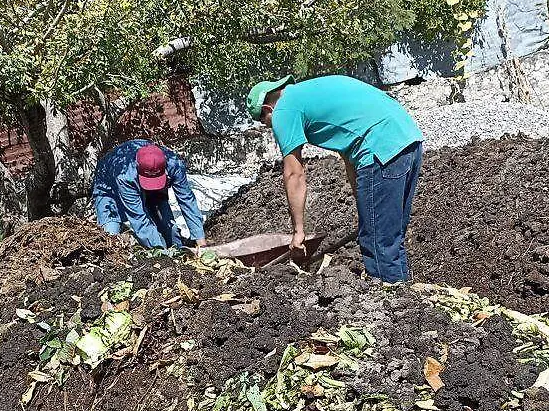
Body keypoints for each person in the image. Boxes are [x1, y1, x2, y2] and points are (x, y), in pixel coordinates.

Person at [246, 75, 424, 282]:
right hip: (408, 141)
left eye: (265, 122)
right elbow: (349, 157)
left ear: (268, 109)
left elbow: (294, 173)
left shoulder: (284, 109)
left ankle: (393, 304)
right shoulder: (312, 92)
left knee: (378, 242)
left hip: (379, 150)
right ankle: (404, 297)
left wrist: (298, 232)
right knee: (389, 238)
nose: (270, 127)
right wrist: (368, 209)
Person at [92, 139, 208, 249]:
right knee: (111, 237)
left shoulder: (175, 164)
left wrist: (201, 242)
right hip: (107, 186)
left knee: (168, 227)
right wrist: (162, 253)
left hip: (147, 175)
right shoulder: (124, 176)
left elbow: (187, 200)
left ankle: (177, 247)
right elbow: (138, 218)